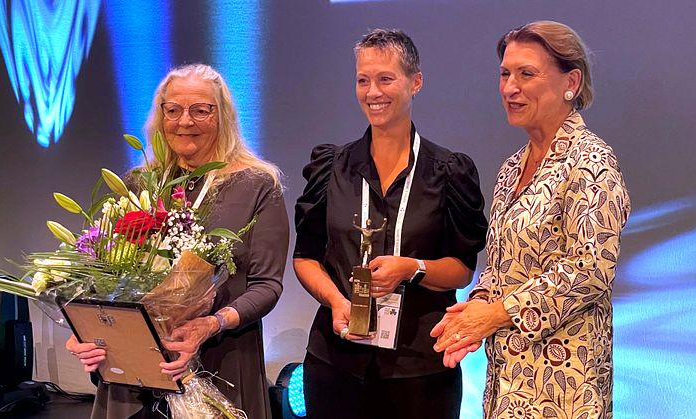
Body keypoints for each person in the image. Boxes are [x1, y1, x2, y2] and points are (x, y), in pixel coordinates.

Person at [65, 63, 289, 419]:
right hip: (134, 372)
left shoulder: (257, 185)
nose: (185, 122)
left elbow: (267, 285)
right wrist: (87, 333)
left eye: (201, 110)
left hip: (220, 363)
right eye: (173, 110)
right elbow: (104, 275)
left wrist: (209, 325)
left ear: (224, 117)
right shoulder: (140, 183)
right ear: (161, 116)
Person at [431, 21, 631, 418]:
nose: (509, 88)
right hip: (508, 383)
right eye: (505, 74)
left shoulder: (591, 162)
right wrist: (478, 305)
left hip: (564, 386)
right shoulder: (511, 168)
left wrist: (498, 312)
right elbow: (501, 265)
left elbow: (590, 270)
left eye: (526, 74)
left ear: (570, 81)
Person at [294, 29, 488, 418]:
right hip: (336, 362)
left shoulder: (448, 171)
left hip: (419, 368)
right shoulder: (331, 167)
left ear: (415, 82)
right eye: (363, 80)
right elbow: (305, 258)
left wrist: (411, 268)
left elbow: (462, 270)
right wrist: (335, 301)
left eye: (386, 78)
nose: (372, 92)